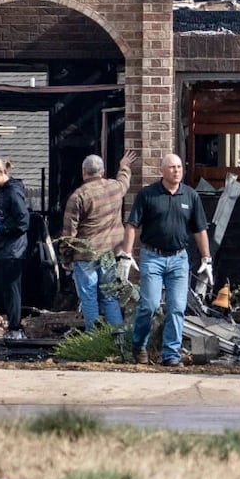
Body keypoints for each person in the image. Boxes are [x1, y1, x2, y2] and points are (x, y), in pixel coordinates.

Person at [125, 153, 212, 366]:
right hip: (152, 257)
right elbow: (132, 225)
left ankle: (171, 355)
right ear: (162, 171)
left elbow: (200, 230)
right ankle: (139, 345)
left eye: (179, 167)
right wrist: (126, 255)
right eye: (172, 167)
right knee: (151, 305)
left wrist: (206, 258)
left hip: (179, 259)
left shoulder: (190, 196)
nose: (177, 170)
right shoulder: (148, 195)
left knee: (177, 307)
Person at [61, 150, 138, 328]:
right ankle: (117, 339)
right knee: (110, 296)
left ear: (83, 172)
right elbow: (124, 182)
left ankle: (93, 338)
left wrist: (66, 257)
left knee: (89, 298)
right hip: (109, 254)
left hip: (85, 255)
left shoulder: (78, 196)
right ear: (102, 172)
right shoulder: (114, 188)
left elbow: (68, 232)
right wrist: (124, 166)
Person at [0, 157, 30, 340]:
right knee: (3, 288)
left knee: (12, 289)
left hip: (13, 250)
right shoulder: (2, 191)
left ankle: (16, 327)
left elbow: (23, 222)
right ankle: (11, 323)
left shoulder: (13, 192)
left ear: (1, 173)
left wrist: (3, 230)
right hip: (3, 248)